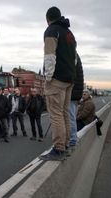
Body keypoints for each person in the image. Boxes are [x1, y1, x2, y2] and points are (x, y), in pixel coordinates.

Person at [39, 6, 77, 161]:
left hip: (57, 79)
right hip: (70, 79)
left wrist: (48, 77)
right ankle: (66, 144)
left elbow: (49, 55)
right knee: (64, 113)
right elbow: (74, 58)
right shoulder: (69, 33)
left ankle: (58, 149)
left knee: (55, 114)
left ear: (48, 19)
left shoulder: (51, 30)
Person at [69, 54, 84, 147]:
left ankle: (72, 139)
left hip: (72, 92)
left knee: (70, 117)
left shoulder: (72, 55)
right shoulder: (75, 56)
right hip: (75, 92)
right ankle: (72, 139)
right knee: (71, 117)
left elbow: (70, 74)